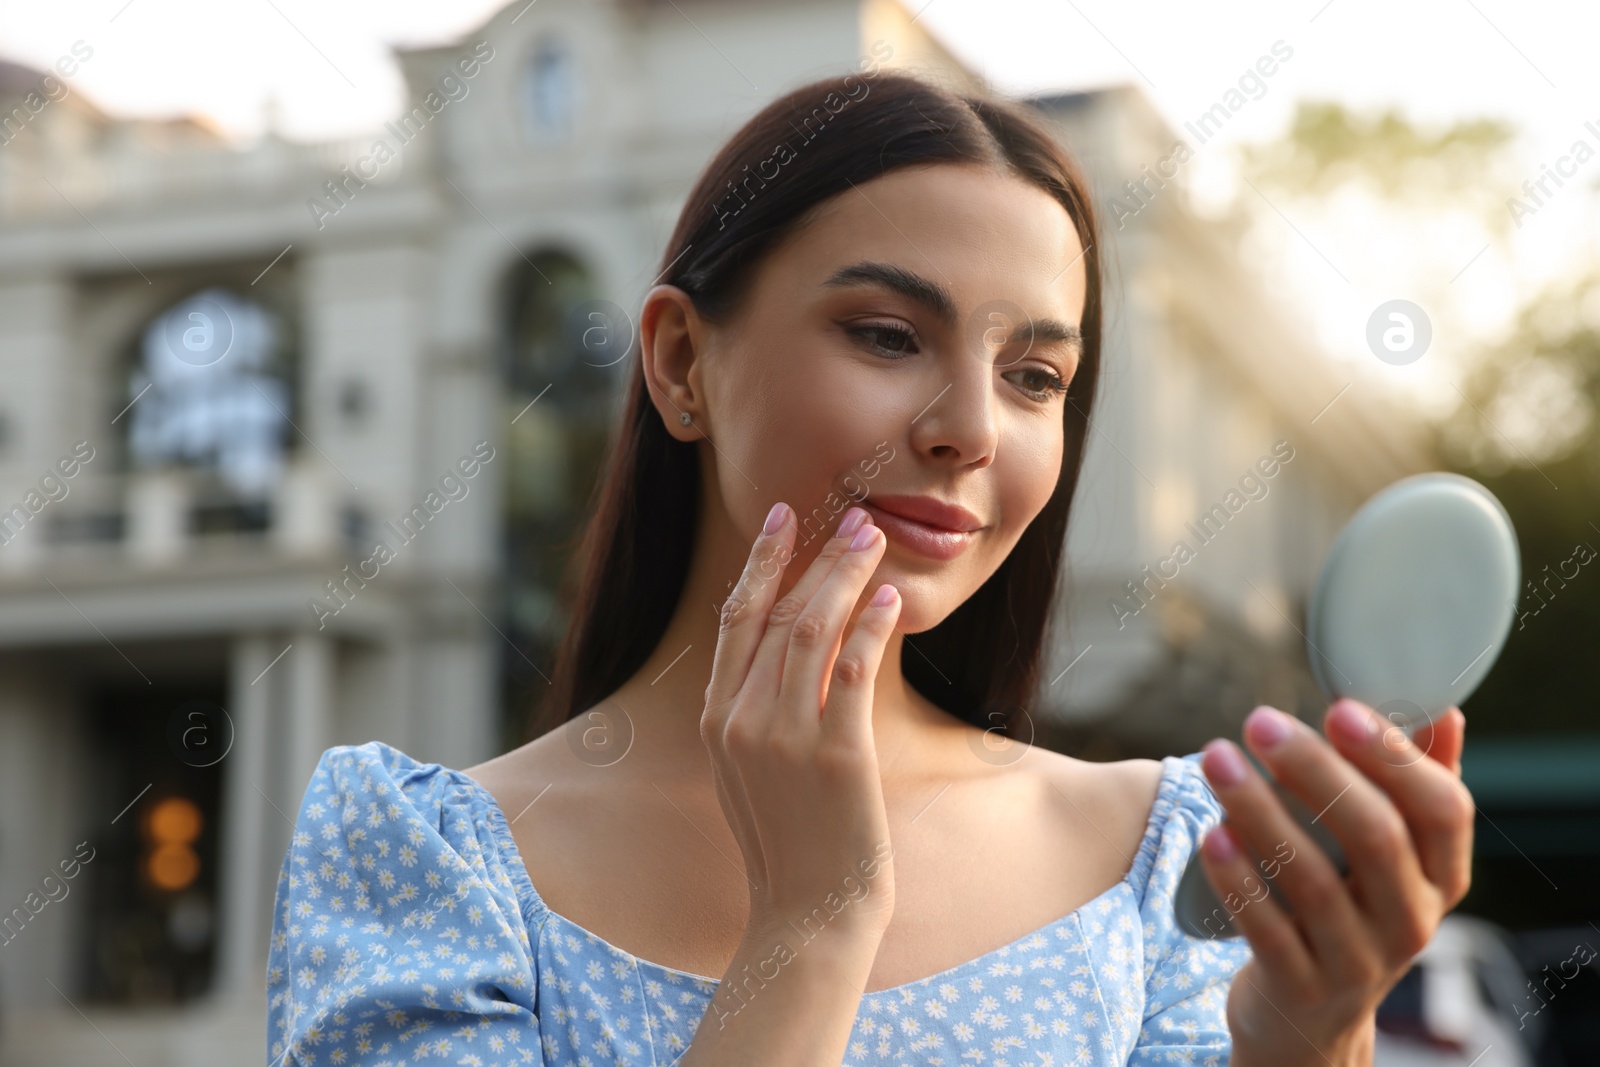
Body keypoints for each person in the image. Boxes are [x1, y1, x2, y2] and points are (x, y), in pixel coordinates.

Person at [266, 69, 1474, 1066]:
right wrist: (812, 922)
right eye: (889, 336)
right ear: (683, 362)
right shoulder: (419, 858)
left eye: (1035, 376)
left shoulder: (1160, 857)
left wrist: (1310, 1039)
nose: (972, 429)